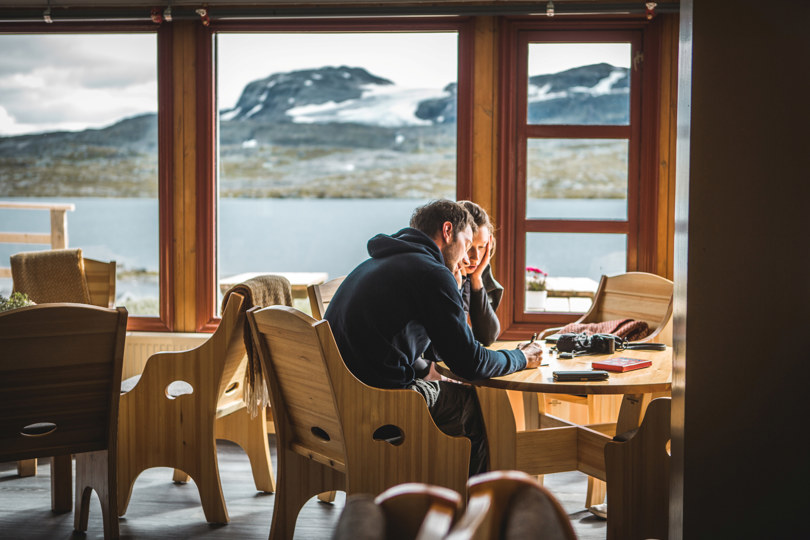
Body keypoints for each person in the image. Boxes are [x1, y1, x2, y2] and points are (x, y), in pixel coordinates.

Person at [324, 199, 543, 476]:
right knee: (473, 405)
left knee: (451, 396)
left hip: (337, 406)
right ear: (448, 231)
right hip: (378, 408)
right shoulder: (430, 272)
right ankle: (474, 508)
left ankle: (430, 489)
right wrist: (522, 357)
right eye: (466, 242)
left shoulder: (377, 263)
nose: (466, 258)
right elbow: (470, 365)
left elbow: (416, 348)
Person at [457, 200, 503, 346]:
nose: (475, 257)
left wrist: (476, 279)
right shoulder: (440, 273)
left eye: (482, 247)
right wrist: (462, 277)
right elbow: (458, 338)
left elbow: (487, 336)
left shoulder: (478, 270)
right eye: (469, 246)